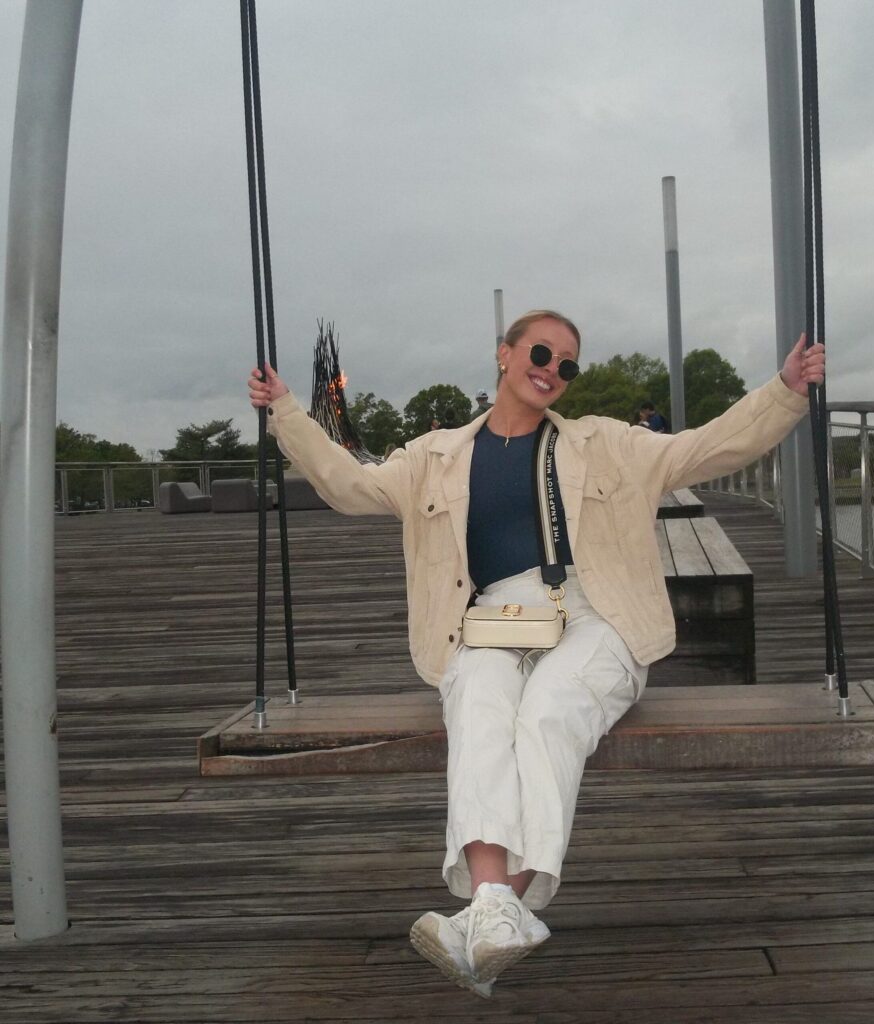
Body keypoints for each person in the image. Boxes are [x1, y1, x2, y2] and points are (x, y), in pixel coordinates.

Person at [247, 309, 824, 998]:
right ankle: (500, 914)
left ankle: (490, 906)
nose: (552, 370)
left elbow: (708, 448)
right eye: (542, 353)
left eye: (567, 365)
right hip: (490, 617)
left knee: (550, 708)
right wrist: (284, 412)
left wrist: (784, 391)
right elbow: (348, 485)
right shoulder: (433, 456)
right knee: (480, 706)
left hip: (598, 611)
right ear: (505, 354)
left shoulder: (607, 445)